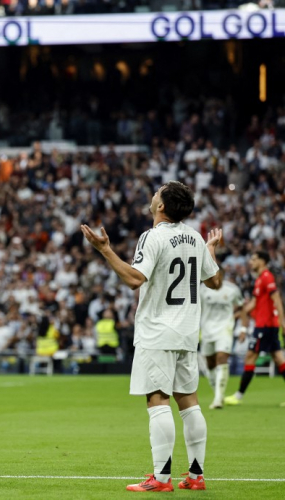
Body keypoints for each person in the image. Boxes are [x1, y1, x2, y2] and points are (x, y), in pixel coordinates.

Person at [81, 181, 222, 492]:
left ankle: (160, 479)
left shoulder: (153, 236)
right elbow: (215, 282)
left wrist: (104, 249)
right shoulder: (196, 237)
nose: (153, 194)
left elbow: (134, 279)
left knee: (157, 400)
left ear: (161, 206)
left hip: (158, 331)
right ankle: (196, 476)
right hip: (187, 331)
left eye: (157, 192)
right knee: (189, 402)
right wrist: (210, 251)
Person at [224, 250, 285, 406]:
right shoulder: (259, 279)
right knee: (279, 359)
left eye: (254, 259)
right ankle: (238, 395)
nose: (251, 262)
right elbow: (254, 304)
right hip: (266, 325)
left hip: (265, 325)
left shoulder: (266, 277)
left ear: (263, 261)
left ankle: (238, 395)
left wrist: (283, 322)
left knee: (250, 356)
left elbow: (277, 298)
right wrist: (238, 314)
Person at [199, 269, 243, 409]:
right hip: (206, 330)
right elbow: (195, 308)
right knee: (210, 364)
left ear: (223, 276)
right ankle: (218, 394)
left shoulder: (232, 290)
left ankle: (218, 399)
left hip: (224, 329)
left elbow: (241, 308)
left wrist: (243, 329)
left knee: (222, 359)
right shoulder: (202, 289)